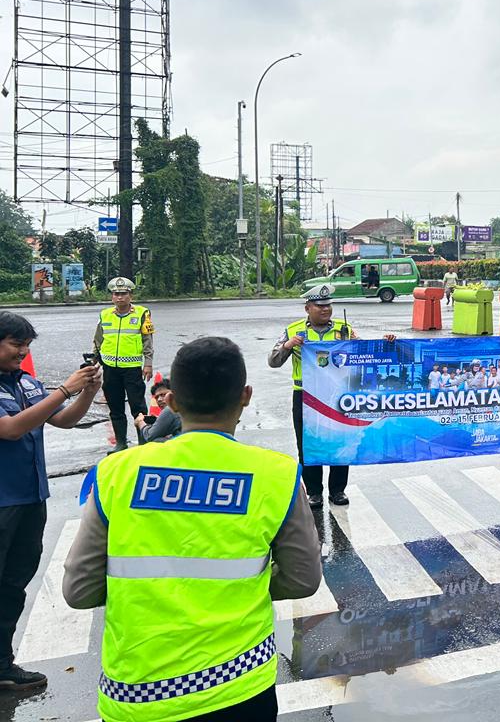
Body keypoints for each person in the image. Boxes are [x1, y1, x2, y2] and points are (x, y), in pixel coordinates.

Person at [64, 336, 322, 721]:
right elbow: (303, 580)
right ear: (246, 396)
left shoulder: (116, 473)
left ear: (170, 401)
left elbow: (79, 591)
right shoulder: (275, 474)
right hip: (240, 685)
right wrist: (243, 587)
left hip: (137, 692)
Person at [0, 311, 101, 692]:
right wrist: (64, 389)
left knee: (13, 583)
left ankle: (2, 664)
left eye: (26, 346)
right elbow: (10, 430)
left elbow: (64, 420)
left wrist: (87, 390)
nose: (22, 352)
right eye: (15, 344)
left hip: (29, 498)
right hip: (2, 500)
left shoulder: (26, 383)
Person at [267, 284, 356, 507]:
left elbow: (363, 356)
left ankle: (338, 490)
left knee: (339, 441)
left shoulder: (343, 329)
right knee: (308, 444)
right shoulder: (293, 330)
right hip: (305, 396)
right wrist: (288, 345)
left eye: (328, 305)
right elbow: (273, 361)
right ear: (307, 308)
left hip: (336, 395)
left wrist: (366, 344)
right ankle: (314, 491)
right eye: (319, 306)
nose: (325, 310)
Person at [92, 277, 154, 452]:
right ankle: (121, 443)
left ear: (130, 295)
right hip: (110, 368)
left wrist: (148, 363)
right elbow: (98, 339)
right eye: (116, 294)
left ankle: (144, 442)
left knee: (138, 407)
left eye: (123, 294)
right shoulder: (104, 315)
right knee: (115, 406)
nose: (120, 297)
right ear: (112, 297)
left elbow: (147, 340)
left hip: (132, 369)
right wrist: (94, 360)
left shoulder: (142, 313)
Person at [134, 378, 182, 443]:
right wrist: (157, 419)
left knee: (154, 441)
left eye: (163, 395)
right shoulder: (183, 404)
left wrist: (140, 422)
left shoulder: (169, 410)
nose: (159, 399)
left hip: (186, 447)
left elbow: (149, 436)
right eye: (156, 397)